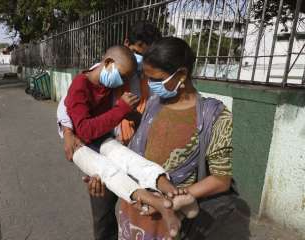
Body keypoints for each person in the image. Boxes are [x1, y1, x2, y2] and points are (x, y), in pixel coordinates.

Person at [89, 37, 237, 240]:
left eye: (157, 80)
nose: (150, 85)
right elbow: (134, 156)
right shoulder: (153, 103)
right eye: (147, 78)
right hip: (133, 212)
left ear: (182, 74)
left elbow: (221, 180)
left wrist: (174, 198)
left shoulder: (215, 115)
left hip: (172, 221)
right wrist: (104, 174)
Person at [65, 45, 198, 239]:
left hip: (104, 140)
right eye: (123, 76)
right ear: (108, 63)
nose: (124, 82)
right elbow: (84, 130)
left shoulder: (108, 85)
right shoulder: (80, 85)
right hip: (81, 146)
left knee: (129, 159)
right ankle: (158, 202)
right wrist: (120, 109)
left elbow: (124, 116)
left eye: (128, 78)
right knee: (108, 171)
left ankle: (173, 194)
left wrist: (131, 113)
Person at [57, 21, 162, 240]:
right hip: (101, 145)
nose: (140, 61)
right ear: (126, 44)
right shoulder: (107, 73)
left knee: (137, 215)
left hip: (134, 149)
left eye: (146, 56)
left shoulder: (148, 77)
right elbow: (69, 110)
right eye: (136, 53)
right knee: (103, 214)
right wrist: (68, 132)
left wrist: (134, 115)